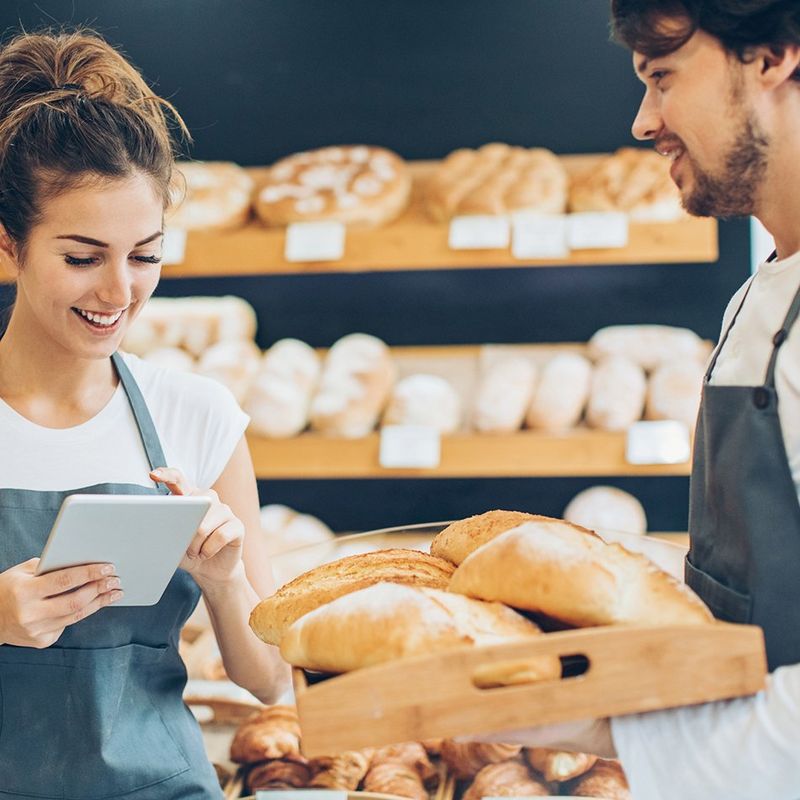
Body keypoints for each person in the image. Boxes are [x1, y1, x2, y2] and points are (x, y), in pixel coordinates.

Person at [473, 2, 800, 798]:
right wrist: (580, 708)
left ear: (774, 59)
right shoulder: (754, 304)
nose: (642, 121)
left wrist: (616, 727)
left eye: (663, 78)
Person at [0, 29, 289, 798]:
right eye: (83, 257)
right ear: (8, 247)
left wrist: (226, 583)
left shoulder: (195, 414)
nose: (121, 291)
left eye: (146, 254)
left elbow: (269, 681)